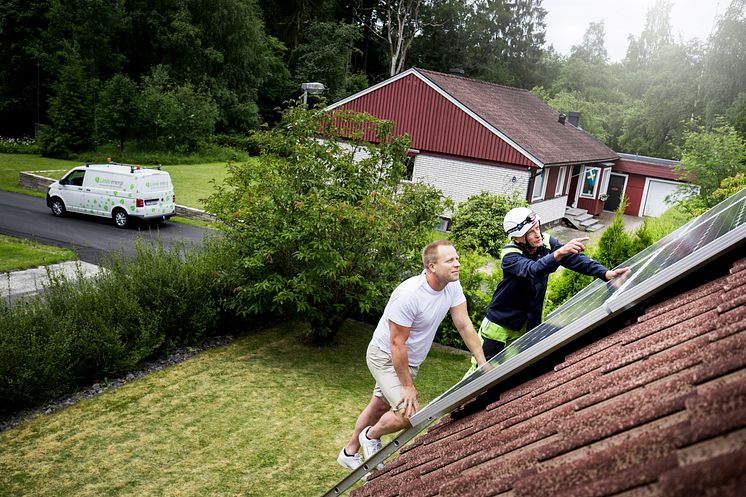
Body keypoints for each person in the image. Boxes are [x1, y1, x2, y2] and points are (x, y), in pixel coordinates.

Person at [337, 239, 488, 471]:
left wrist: (481, 361)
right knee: (409, 415)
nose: (457, 264)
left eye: (457, 258)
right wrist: (407, 385)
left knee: (378, 407)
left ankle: (349, 452)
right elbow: (397, 343)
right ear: (432, 267)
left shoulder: (452, 286)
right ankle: (371, 436)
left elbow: (464, 326)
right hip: (385, 356)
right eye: (450, 260)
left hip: (409, 359)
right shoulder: (409, 295)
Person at [477, 207, 630, 360]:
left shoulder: (546, 243)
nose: (538, 234)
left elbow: (573, 259)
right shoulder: (510, 255)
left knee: (513, 372)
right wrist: (559, 252)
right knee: (483, 372)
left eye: (537, 227)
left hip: (527, 326)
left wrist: (605, 273)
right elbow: (533, 269)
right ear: (517, 238)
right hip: (499, 326)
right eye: (531, 232)